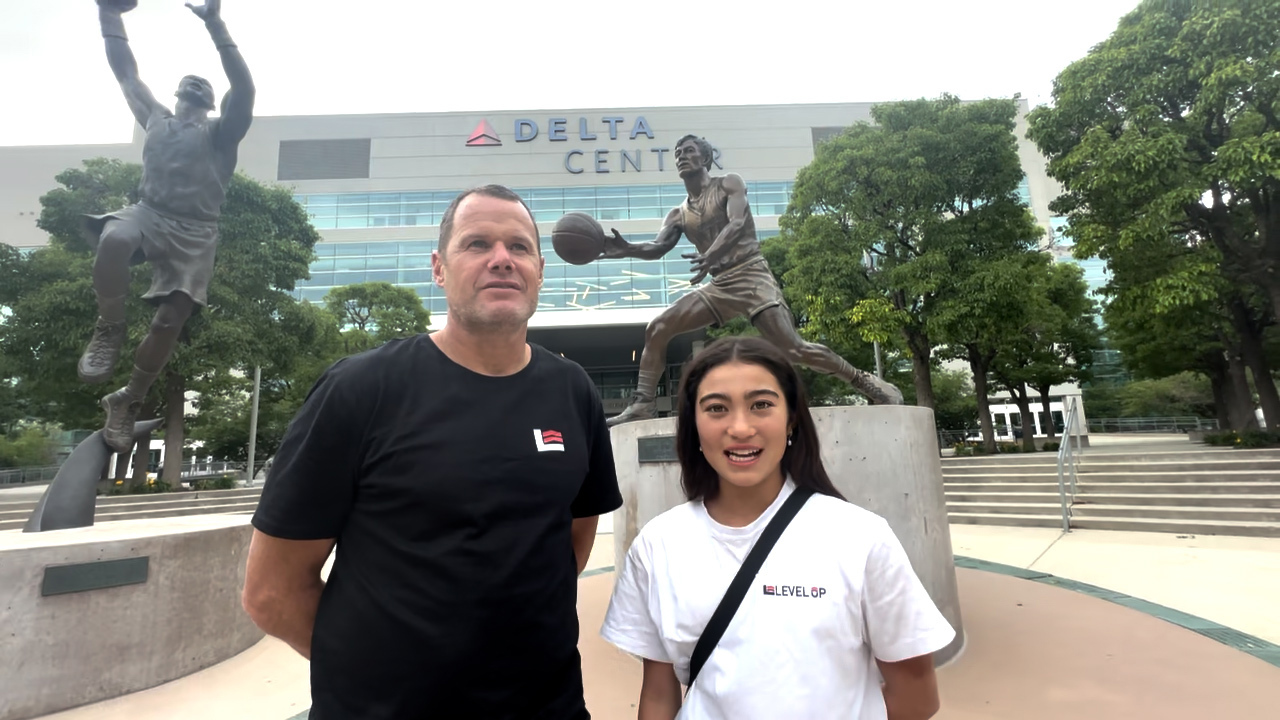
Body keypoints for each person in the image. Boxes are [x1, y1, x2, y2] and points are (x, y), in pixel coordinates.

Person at [243, 185, 623, 719]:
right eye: (476, 244)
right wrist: (373, 674)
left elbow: (571, 542)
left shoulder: (573, 391)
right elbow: (271, 592)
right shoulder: (362, 389)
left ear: (541, 269)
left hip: (548, 706)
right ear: (439, 268)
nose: (501, 260)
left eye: (518, 247)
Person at [600, 336, 954, 719]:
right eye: (717, 408)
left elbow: (917, 697)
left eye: (761, 405)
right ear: (695, 426)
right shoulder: (658, 544)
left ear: (792, 420)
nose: (740, 427)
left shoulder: (859, 537)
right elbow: (657, 695)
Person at [599, 135, 902, 427]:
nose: (682, 157)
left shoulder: (729, 183)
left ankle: (864, 381)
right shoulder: (678, 214)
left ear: (705, 158)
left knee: (794, 349)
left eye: (689, 151)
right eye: (678, 153)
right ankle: (642, 404)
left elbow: (737, 223)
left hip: (752, 274)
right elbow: (658, 246)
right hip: (720, 285)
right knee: (658, 327)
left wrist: (710, 255)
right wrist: (627, 249)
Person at [79, 0, 255, 453]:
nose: (195, 87)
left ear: (210, 101)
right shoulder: (155, 117)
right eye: (188, 85)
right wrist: (109, 13)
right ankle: (110, 327)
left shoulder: (221, 133)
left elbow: (245, 85)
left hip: (197, 232)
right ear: (178, 93)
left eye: (203, 86)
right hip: (149, 213)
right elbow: (124, 68)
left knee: (169, 320)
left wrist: (216, 25)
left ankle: (128, 398)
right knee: (114, 236)